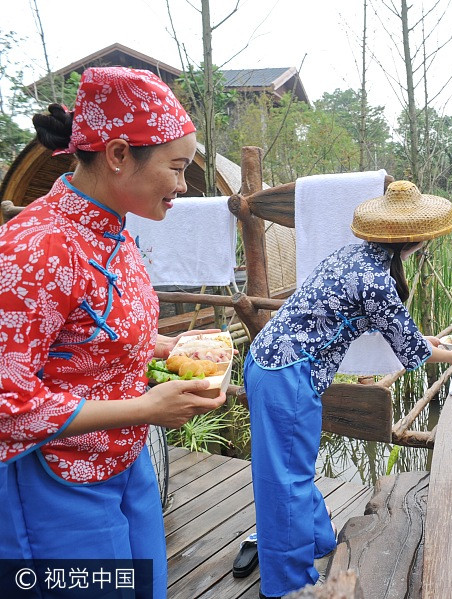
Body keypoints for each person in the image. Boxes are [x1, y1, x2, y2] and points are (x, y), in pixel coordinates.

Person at [0, 67, 226, 598]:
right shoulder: (35, 248)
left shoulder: (113, 228)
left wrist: (164, 346)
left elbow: (88, 331)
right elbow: (8, 403)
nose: (183, 186)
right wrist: (146, 408)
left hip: (125, 460)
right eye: (176, 168)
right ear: (119, 154)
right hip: (55, 478)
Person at [244, 180, 452, 598]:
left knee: (288, 470)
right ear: (418, 240)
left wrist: (428, 342)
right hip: (287, 376)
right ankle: (286, 586)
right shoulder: (377, 281)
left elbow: (389, 329)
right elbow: (410, 351)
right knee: (285, 481)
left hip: (267, 361)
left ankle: (317, 541)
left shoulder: (352, 255)